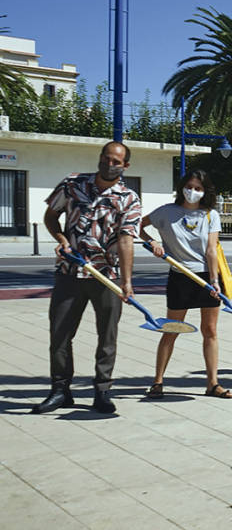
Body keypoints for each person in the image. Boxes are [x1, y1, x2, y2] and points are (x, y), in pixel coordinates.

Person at [33, 141, 141, 414]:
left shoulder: (129, 199)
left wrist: (126, 283)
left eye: (117, 161)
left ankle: (102, 392)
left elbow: (127, 241)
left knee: (107, 337)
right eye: (107, 158)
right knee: (59, 334)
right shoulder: (72, 184)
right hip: (69, 273)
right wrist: (60, 239)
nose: (110, 164)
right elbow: (50, 216)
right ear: (100, 158)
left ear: (125, 165)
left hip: (107, 276)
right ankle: (60, 390)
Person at [140, 169, 232, 400]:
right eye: (190, 186)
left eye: (198, 188)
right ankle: (158, 382)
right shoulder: (166, 212)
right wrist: (151, 241)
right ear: (182, 187)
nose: (193, 192)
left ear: (205, 191)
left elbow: (211, 250)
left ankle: (213, 383)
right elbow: (136, 226)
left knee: (210, 331)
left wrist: (214, 281)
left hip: (205, 278)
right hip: (179, 276)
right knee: (171, 329)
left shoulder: (210, 215)